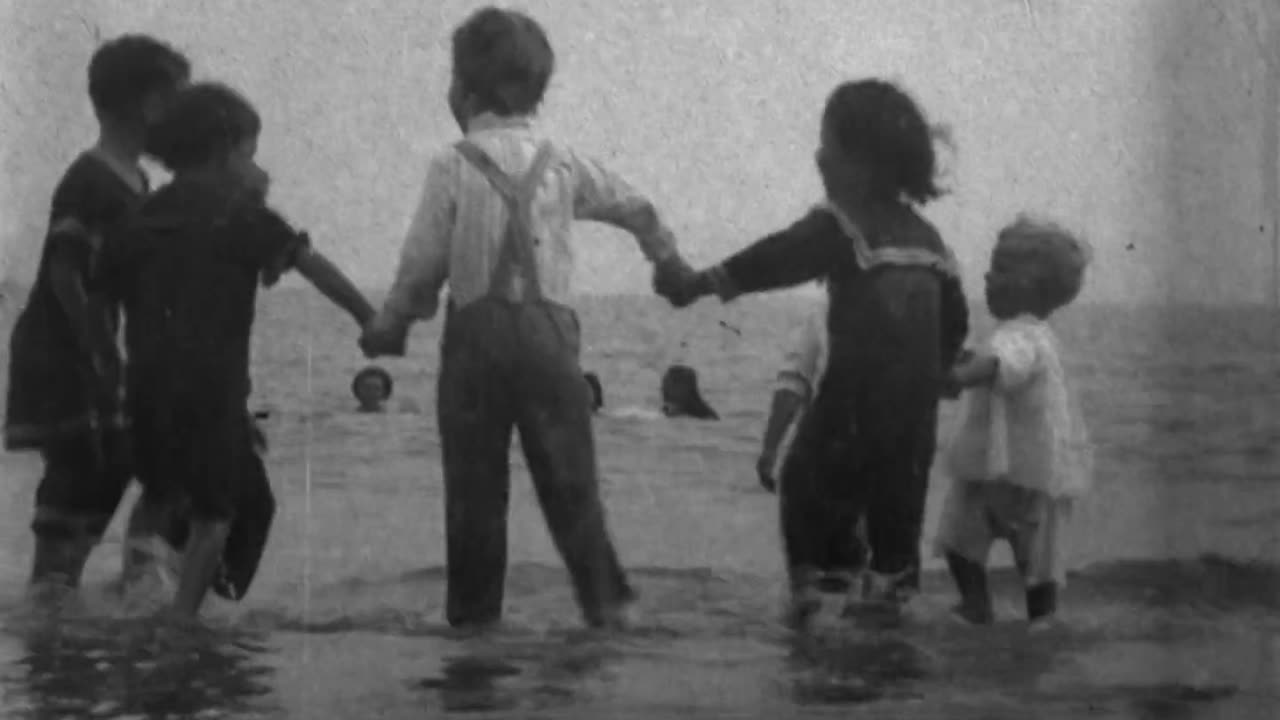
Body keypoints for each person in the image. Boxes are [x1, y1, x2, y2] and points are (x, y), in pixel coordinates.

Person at [360, 6, 695, 630]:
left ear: (462, 89)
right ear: (535, 92)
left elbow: (421, 265)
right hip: (551, 345)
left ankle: (474, 624)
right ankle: (609, 613)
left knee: (474, 498)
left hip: (474, 350)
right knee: (571, 489)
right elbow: (637, 207)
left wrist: (394, 323)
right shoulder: (562, 161)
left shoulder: (452, 162)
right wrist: (667, 262)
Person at [657, 79, 970, 627]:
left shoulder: (843, 223)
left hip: (854, 400)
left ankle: (814, 601)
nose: (819, 156)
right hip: (914, 419)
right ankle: (887, 605)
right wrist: (943, 366)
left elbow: (777, 258)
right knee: (896, 515)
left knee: (806, 484)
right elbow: (955, 316)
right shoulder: (931, 242)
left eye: (830, 146)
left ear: (866, 163)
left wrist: (702, 281)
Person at [96, 81, 376, 618]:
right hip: (212, 389)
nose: (254, 165)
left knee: (162, 491)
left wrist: (104, 368)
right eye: (249, 153)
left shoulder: (140, 216)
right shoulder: (240, 211)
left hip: (146, 388)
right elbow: (310, 267)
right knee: (218, 511)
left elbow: (101, 294)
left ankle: (141, 589)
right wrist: (368, 318)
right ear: (226, 150)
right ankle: (182, 619)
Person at [3, 35, 191, 600]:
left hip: (96, 346)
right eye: (177, 101)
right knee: (80, 467)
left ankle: (77, 591)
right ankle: (52, 591)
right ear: (147, 104)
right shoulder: (90, 179)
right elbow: (64, 272)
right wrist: (100, 348)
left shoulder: (137, 181)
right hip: (63, 348)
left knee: (116, 461)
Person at [935, 216, 1093, 629]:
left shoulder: (1025, 336)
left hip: (1025, 477)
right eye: (992, 266)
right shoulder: (1019, 333)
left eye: (1003, 269)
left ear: (1036, 286)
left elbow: (1000, 364)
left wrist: (955, 377)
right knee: (973, 542)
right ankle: (1022, 614)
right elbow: (987, 360)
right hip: (1010, 470)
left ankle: (991, 609)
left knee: (1011, 555)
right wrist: (959, 367)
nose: (989, 276)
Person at [757, 288, 868, 602]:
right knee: (850, 577)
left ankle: (804, 639)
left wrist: (769, 451)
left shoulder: (821, 315)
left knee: (805, 579)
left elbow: (791, 386)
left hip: (816, 454)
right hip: (868, 459)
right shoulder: (900, 316)